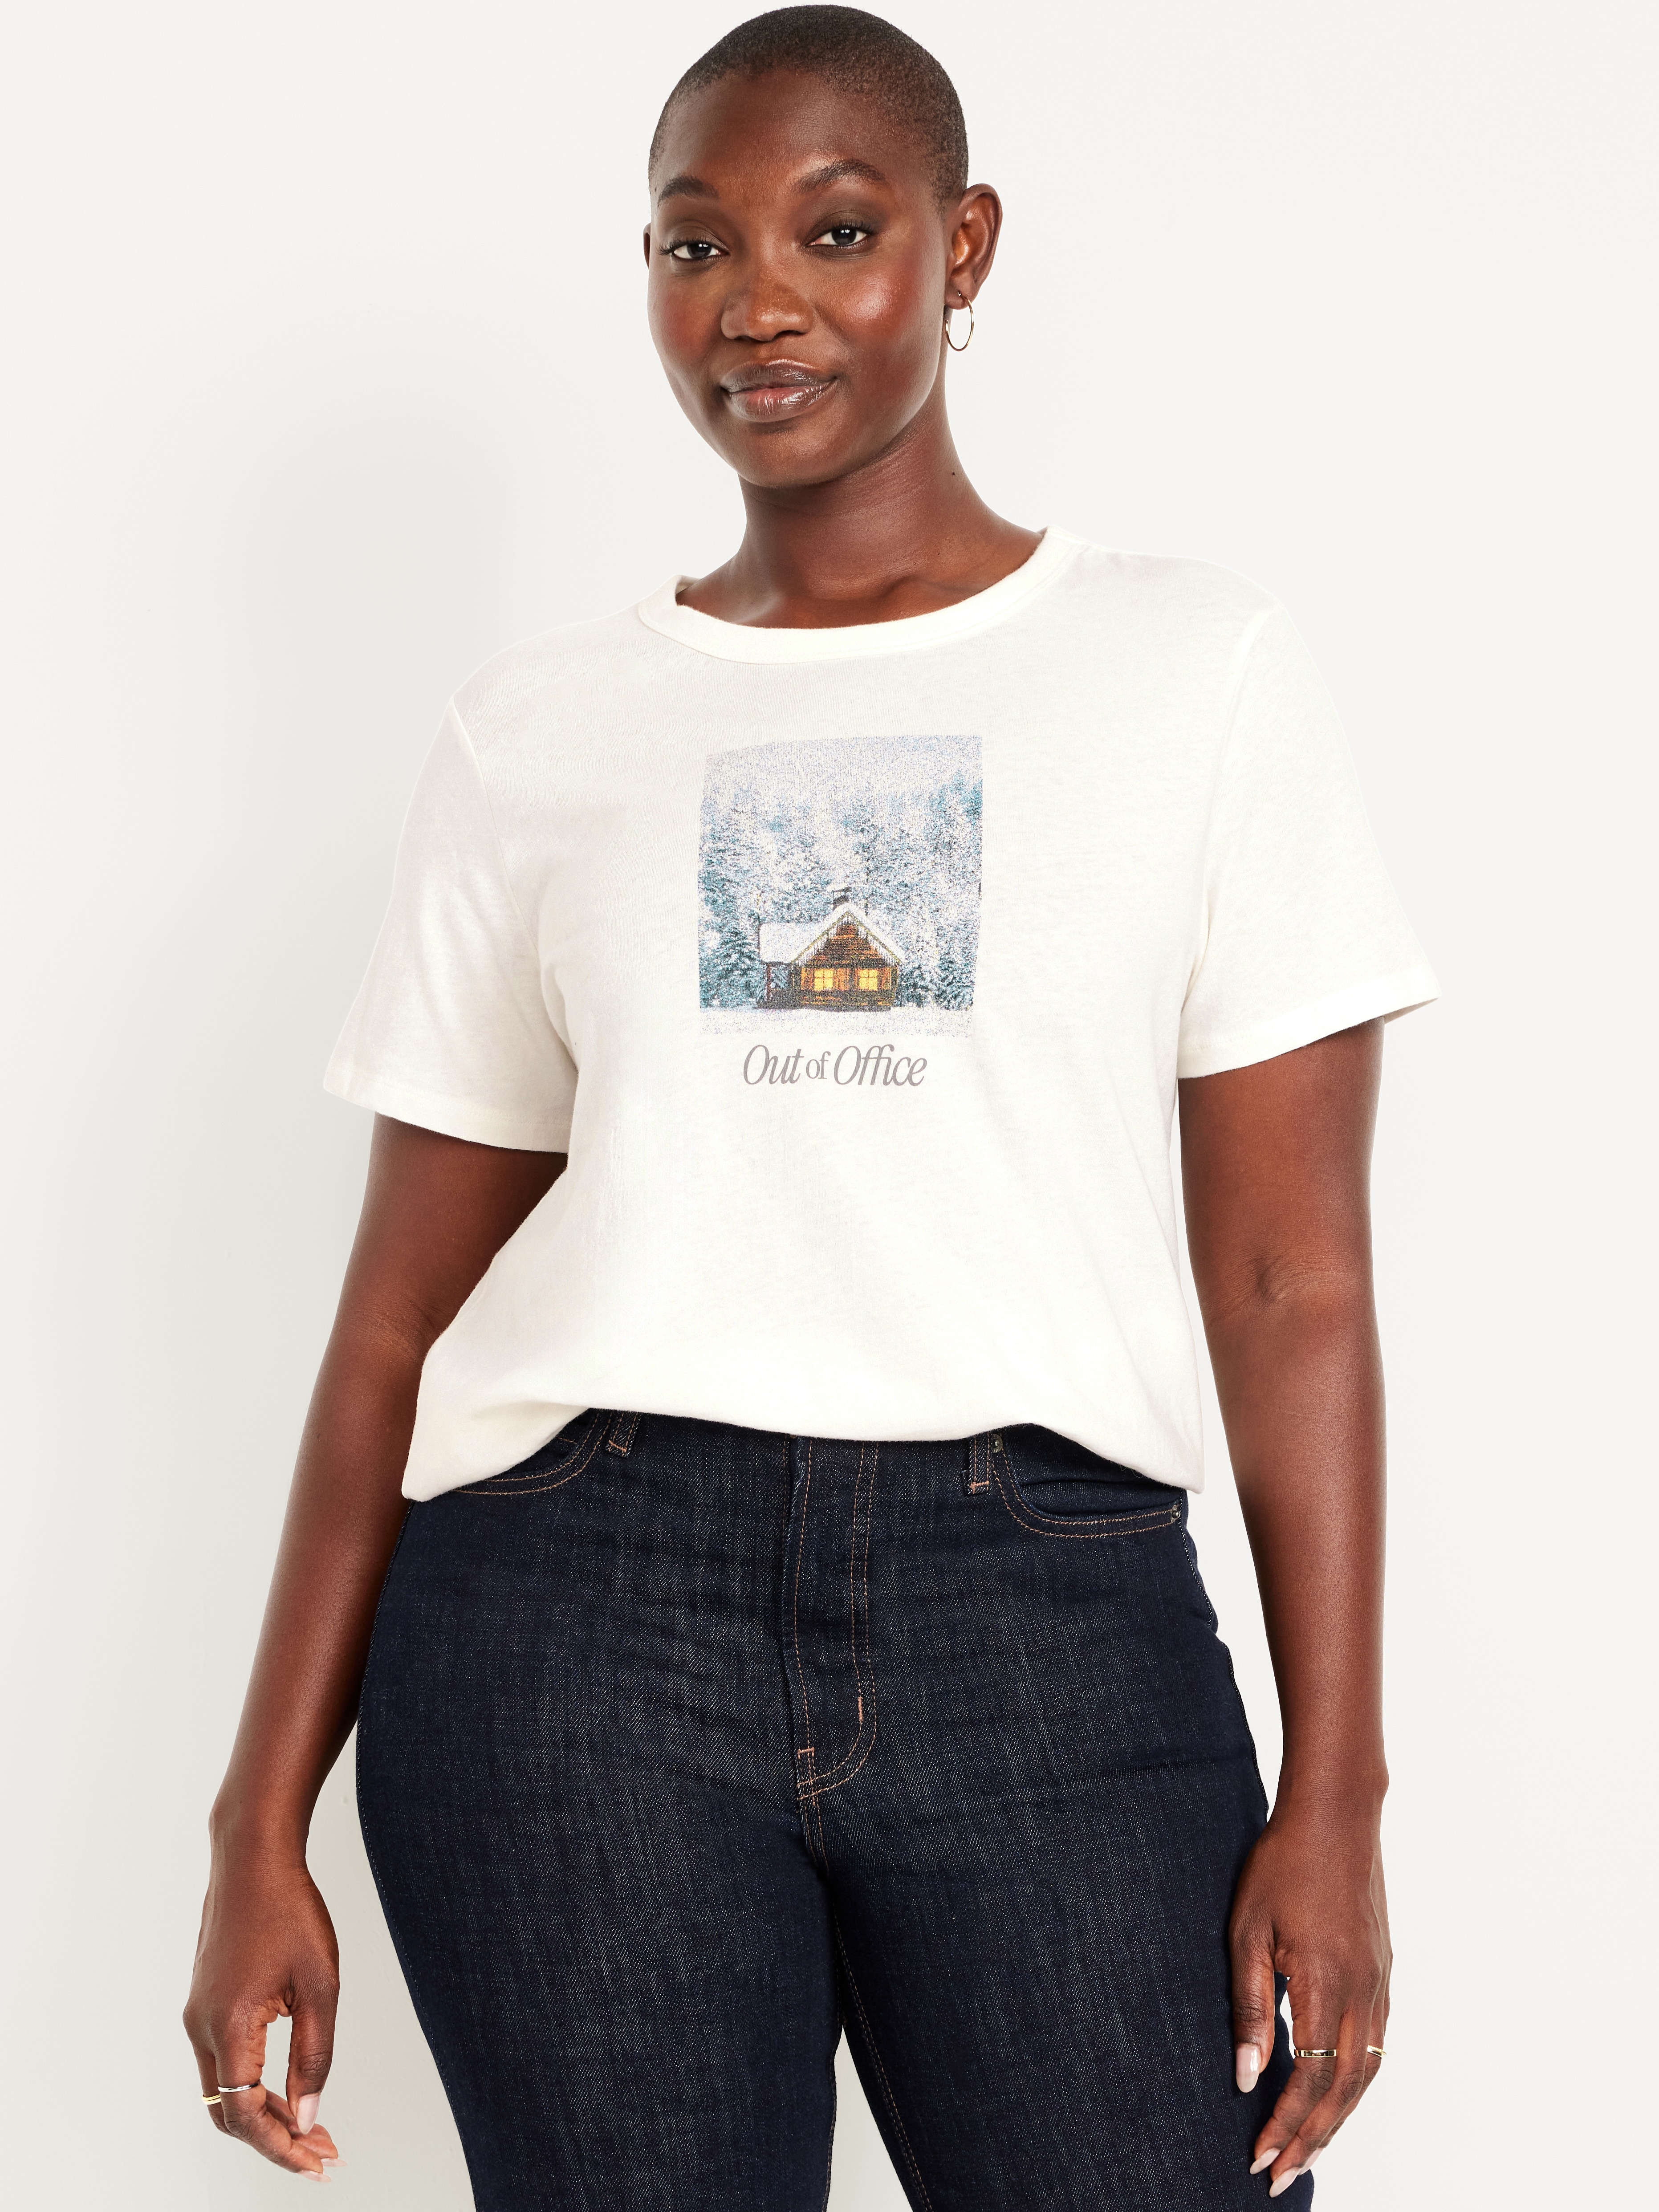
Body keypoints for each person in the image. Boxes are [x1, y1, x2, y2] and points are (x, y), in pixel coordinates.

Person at [183, 9, 1436, 2205]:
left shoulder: (1191, 670)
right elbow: (398, 1317)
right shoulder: (536, 729)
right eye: (694, 245)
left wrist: (1334, 1789)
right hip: (570, 1623)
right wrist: (250, 1824)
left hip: (1045, 1611)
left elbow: (1287, 1279)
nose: (752, 301)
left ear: (963, 247)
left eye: (832, 232)